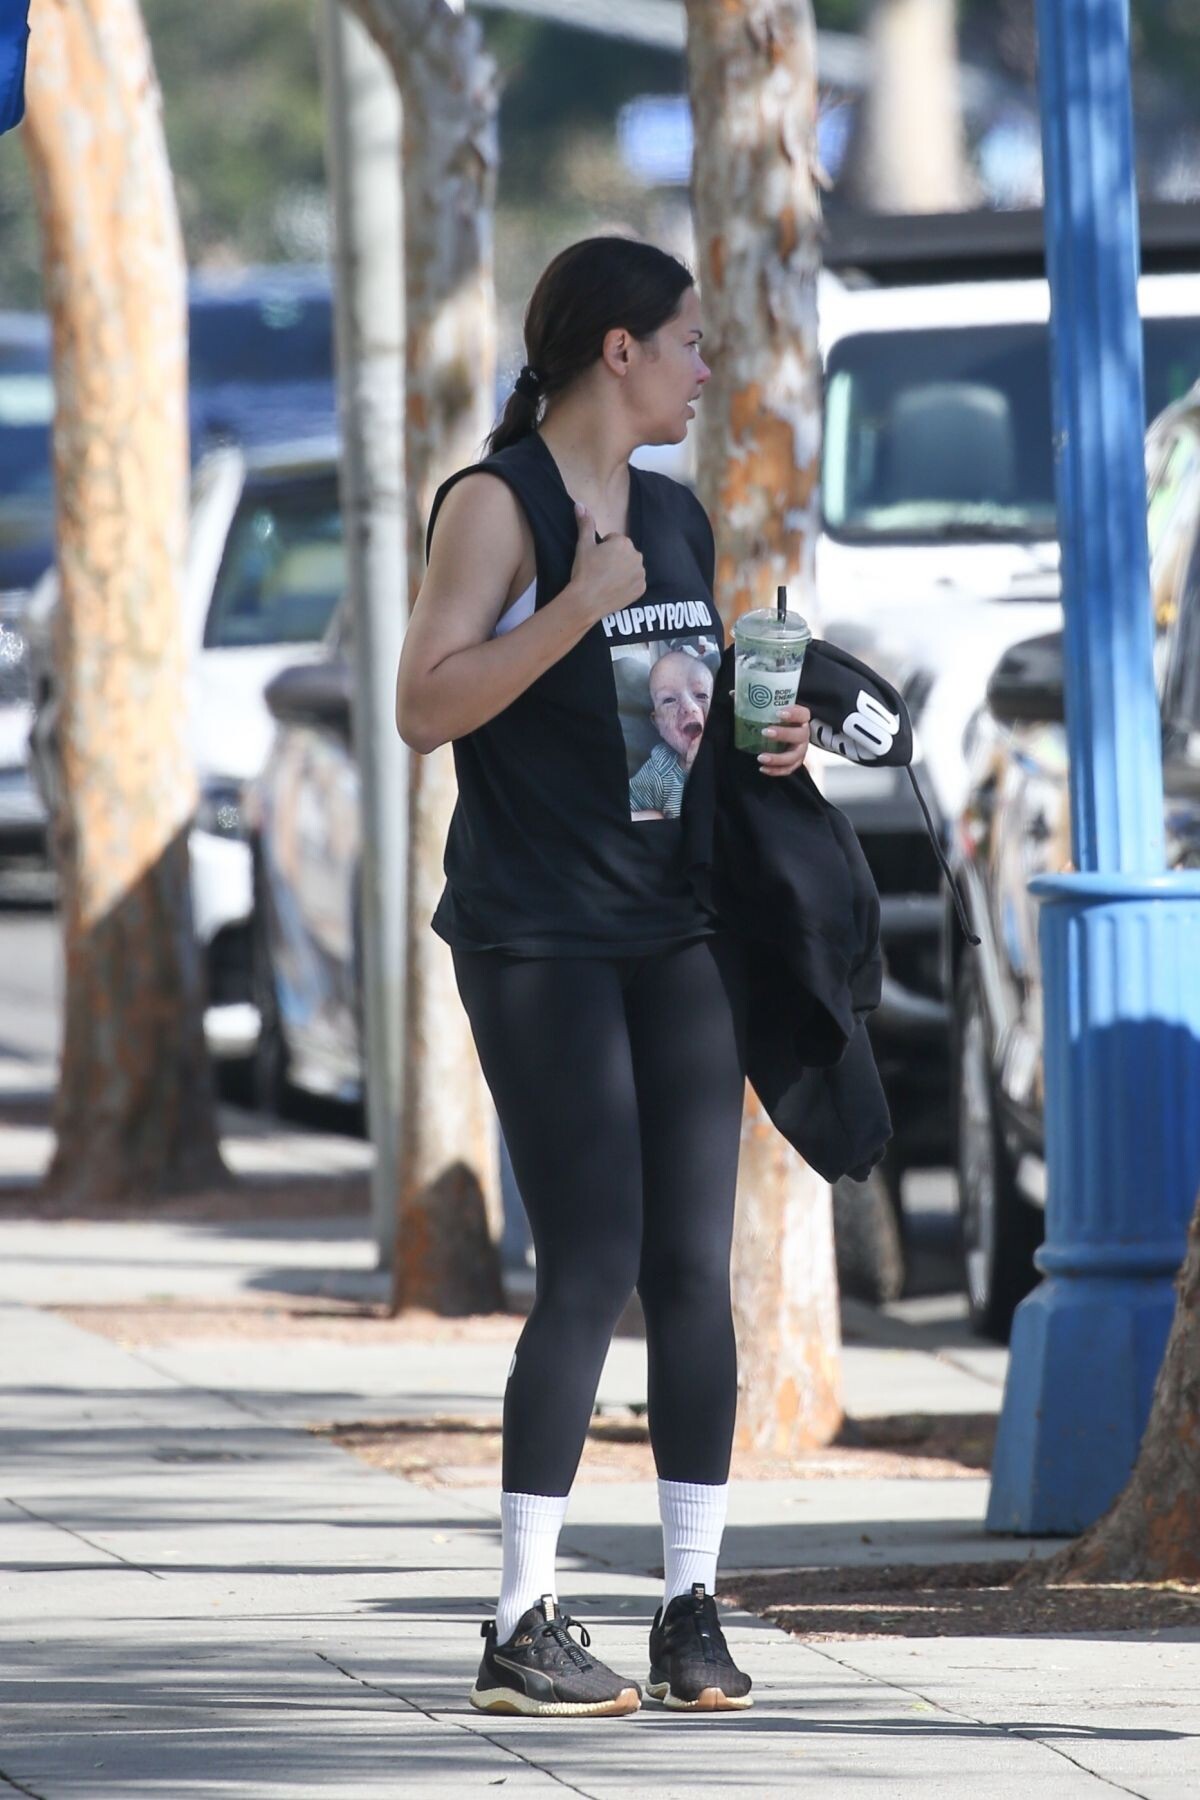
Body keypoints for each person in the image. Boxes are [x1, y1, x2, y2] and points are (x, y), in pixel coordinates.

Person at [395, 236, 812, 1718]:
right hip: (539, 936)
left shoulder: (675, 515)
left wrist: (763, 741)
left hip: (675, 923)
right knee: (588, 1262)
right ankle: (520, 1620)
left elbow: (666, 725)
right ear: (617, 350)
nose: (707, 368)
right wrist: (575, 604)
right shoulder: (496, 505)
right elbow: (423, 704)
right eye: (690, 341)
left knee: (692, 1271)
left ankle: (690, 1608)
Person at [628, 647, 715, 820]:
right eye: (669, 700)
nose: (689, 707)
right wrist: (646, 817)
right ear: (657, 723)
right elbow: (624, 810)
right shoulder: (659, 771)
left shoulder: (729, 752)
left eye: (701, 696)